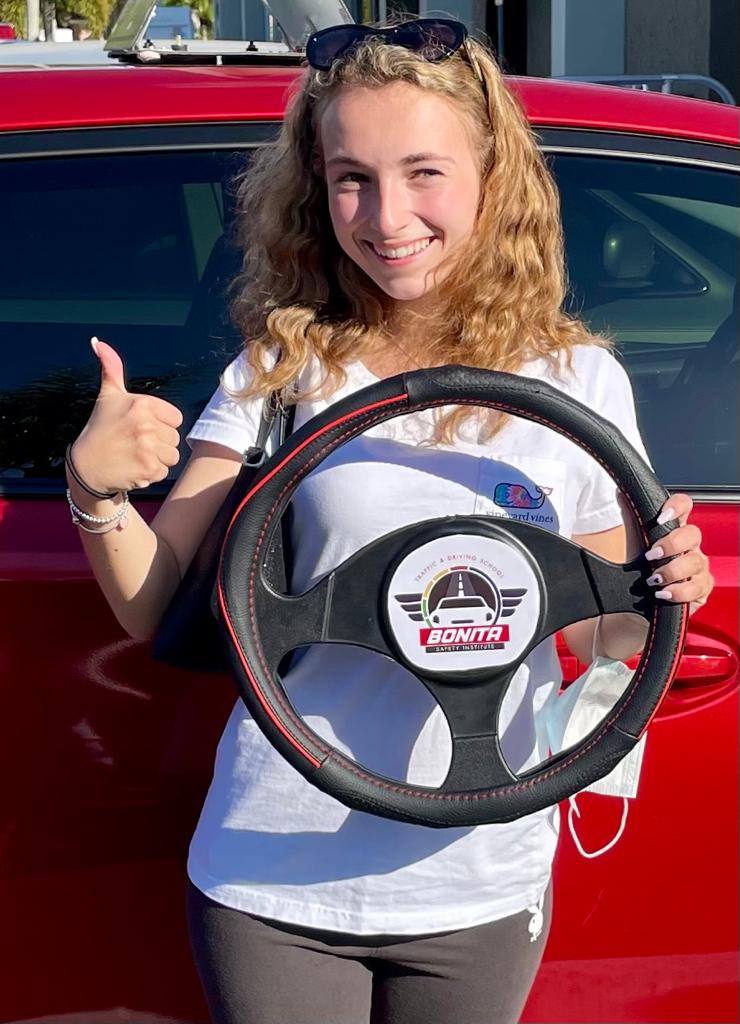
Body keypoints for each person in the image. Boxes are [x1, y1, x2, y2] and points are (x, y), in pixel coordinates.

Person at [64, 20, 714, 1024]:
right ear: (316, 190)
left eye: (423, 173)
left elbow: (604, 637)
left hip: (481, 870)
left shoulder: (578, 381)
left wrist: (666, 587)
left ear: (491, 177)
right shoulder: (278, 370)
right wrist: (98, 490)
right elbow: (155, 606)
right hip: (275, 873)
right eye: (351, 179)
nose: (387, 215)